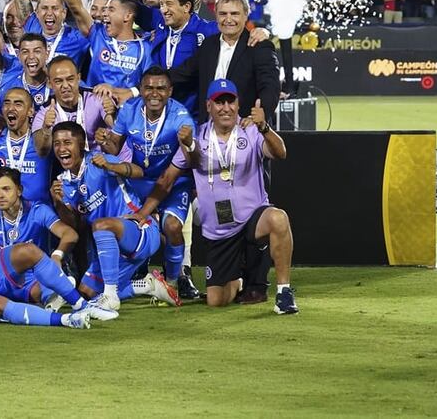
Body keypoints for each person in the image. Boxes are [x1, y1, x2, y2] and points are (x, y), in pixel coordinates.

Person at [138, 80, 297, 314]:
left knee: (278, 218)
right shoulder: (197, 136)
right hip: (220, 231)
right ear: (208, 106)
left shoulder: (251, 129)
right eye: (219, 102)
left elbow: (280, 152)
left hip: (252, 218)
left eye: (230, 102)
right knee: (216, 300)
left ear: (238, 104)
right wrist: (142, 213)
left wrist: (264, 127)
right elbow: (167, 178)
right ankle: (239, 280)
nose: (225, 108)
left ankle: (284, 293)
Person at [49, 121, 180, 313]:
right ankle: (148, 286)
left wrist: (111, 166)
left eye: (67, 142)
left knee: (101, 225)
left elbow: (138, 172)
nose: (61, 149)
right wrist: (58, 203)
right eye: (57, 143)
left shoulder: (98, 160)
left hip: (140, 230)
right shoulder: (63, 183)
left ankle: (111, 296)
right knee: (86, 293)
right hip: (111, 249)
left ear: (81, 144)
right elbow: (75, 224)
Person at [97, 66, 200, 298]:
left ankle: (173, 282)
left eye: (161, 88)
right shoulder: (129, 110)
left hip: (173, 183)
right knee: (126, 224)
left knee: (172, 227)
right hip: (140, 180)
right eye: (149, 88)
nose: (154, 93)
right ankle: (134, 270)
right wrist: (105, 141)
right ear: (141, 89)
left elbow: (168, 178)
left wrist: (144, 212)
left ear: (170, 91)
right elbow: (114, 148)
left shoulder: (181, 120)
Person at [0, 168, 78, 302]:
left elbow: (70, 234)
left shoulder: (37, 210)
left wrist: (57, 255)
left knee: (37, 290)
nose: (0, 195)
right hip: (3, 275)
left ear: (19, 190)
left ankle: (55, 290)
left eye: (6, 189)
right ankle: (55, 291)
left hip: (33, 276)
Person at [169, 0, 281, 122]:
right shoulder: (208, 45)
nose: (228, 19)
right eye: (223, 14)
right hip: (208, 128)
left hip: (244, 128)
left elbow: (270, 87)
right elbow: (183, 73)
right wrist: (150, 80)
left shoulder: (259, 46)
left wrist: (259, 117)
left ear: (246, 15)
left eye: (234, 14)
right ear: (216, 15)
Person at [31, 56, 108, 156]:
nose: (65, 86)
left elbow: (117, 130)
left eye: (70, 79)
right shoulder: (45, 112)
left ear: (78, 78)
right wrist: (46, 129)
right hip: (65, 162)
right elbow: (41, 151)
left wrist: (112, 114)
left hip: (99, 160)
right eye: (58, 81)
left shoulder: (96, 98)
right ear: (49, 83)